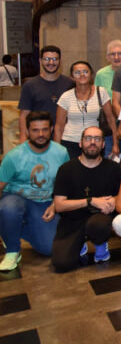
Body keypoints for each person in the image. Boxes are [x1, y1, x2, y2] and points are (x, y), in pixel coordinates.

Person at [0, 112, 69, 271]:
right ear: (27, 131)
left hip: (44, 204)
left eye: (45, 130)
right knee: (9, 208)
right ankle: (12, 250)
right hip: (16, 199)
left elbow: (65, 185)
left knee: (49, 248)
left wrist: (54, 205)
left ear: (51, 129)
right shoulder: (14, 156)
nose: (40, 134)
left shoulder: (61, 153)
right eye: (35, 130)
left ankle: (11, 229)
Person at [51, 126, 121, 272]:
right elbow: (59, 205)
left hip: (99, 218)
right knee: (61, 264)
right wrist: (90, 201)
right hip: (72, 220)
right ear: (80, 143)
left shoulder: (113, 168)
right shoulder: (66, 169)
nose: (92, 142)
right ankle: (80, 242)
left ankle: (100, 244)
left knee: (98, 225)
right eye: (88, 138)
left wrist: (114, 200)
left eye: (97, 139)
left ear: (103, 144)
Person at [56, 61, 117, 160]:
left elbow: (111, 119)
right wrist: (57, 149)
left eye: (85, 71)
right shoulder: (66, 96)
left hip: (94, 142)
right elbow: (59, 126)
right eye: (77, 72)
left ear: (91, 74)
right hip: (70, 142)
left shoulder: (101, 92)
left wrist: (115, 144)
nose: (81, 75)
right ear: (71, 77)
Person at [18, 45, 74, 141]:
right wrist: (23, 139)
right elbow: (24, 115)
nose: (51, 62)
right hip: (38, 139)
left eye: (55, 59)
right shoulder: (30, 85)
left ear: (60, 61)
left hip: (66, 138)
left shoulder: (70, 84)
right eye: (47, 59)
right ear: (40, 61)